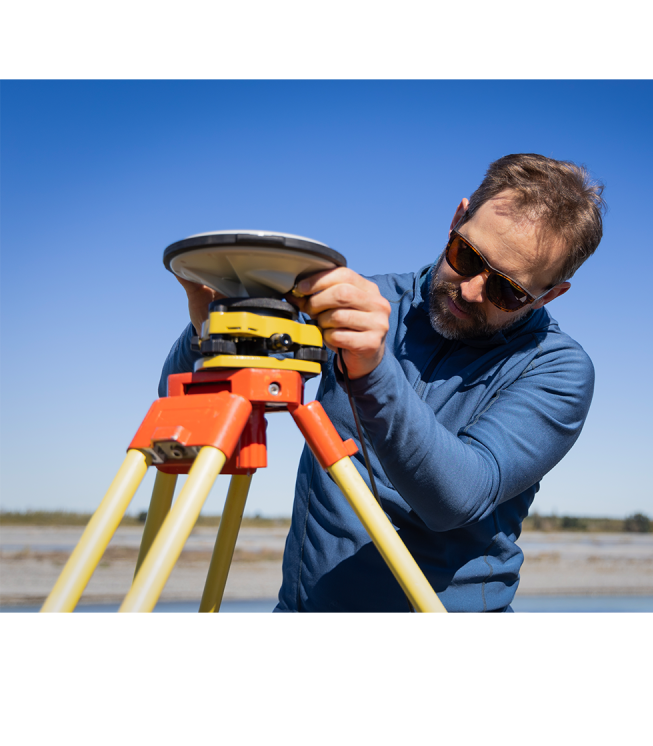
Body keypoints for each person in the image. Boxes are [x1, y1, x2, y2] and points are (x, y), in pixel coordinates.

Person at [160, 153, 606, 612]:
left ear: (550, 294)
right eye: (467, 256)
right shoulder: (364, 307)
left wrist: (373, 369)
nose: (471, 290)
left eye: (508, 290)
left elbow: (459, 495)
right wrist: (210, 336)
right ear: (457, 219)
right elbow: (174, 402)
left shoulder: (556, 369)